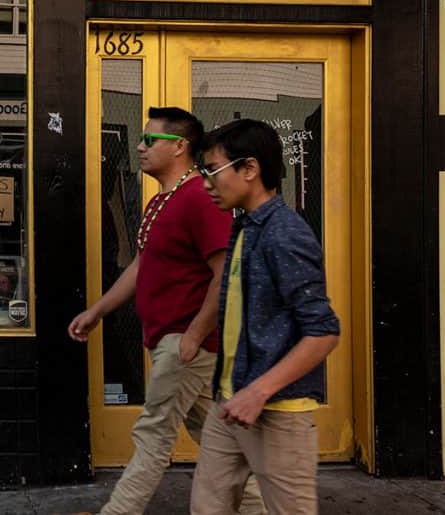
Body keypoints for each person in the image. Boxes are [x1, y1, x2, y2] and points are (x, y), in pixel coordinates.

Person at [68, 107, 263, 515]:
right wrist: (98, 311)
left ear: (179, 147)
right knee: (217, 438)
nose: (139, 147)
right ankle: (257, 507)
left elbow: (224, 272)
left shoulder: (199, 198)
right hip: (174, 342)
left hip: (183, 343)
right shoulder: (162, 202)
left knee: (152, 436)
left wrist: (192, 336)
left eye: (149, 139)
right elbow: (142, 266)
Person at [190, 119, 341, 515]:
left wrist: (258, 392)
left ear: (250, 169)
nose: (206, 183)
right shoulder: (246, 227)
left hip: (277, 414)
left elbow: (324, 331)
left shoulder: (284, 233)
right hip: (230, 404)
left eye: (212, 171)